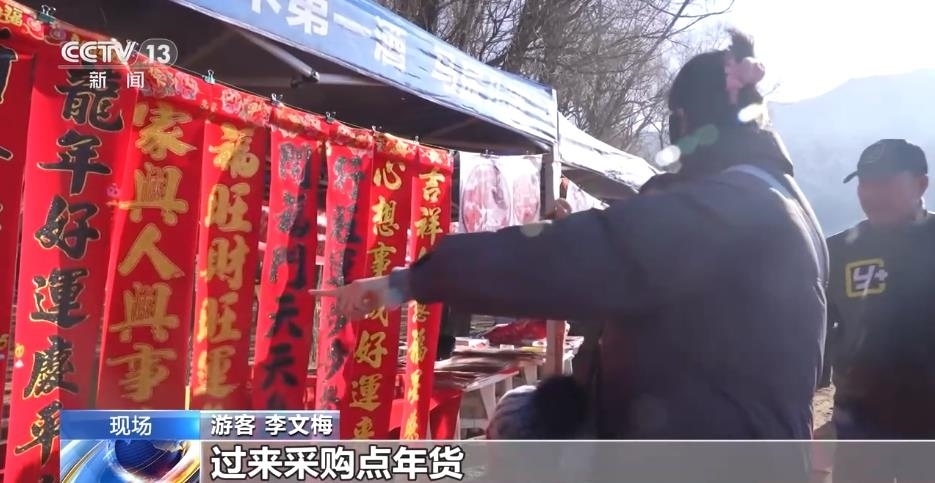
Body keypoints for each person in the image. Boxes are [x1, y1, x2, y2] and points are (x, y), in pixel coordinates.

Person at [311, 30, 827, 447]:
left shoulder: (733, 207)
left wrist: (411, 281)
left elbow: (577, 255)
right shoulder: (779, 202)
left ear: (687, 122)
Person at [824, 139, 935, 481]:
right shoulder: (838, 252)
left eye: (885, 183)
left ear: (920, 184)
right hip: (861, 427)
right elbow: (819, 336)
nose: (872, 194)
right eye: (865, 184)